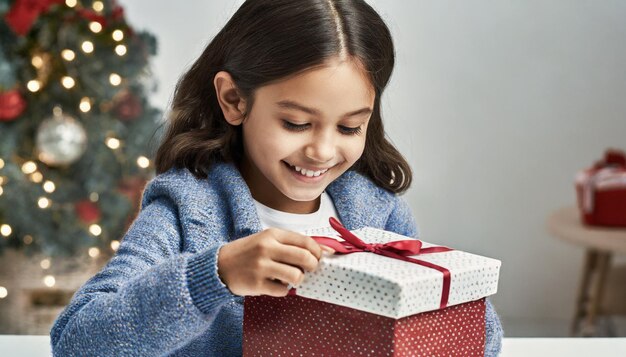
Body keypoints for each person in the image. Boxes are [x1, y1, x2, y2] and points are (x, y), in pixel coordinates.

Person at [50, 0, 504, 355]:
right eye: (296, 123)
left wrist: (445, 309)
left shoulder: (380, 214)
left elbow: (483, 341)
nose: (323, 151)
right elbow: (77, 341)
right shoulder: (189, 213)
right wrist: (215, 275)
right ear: (233, 100)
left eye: (349, 127)